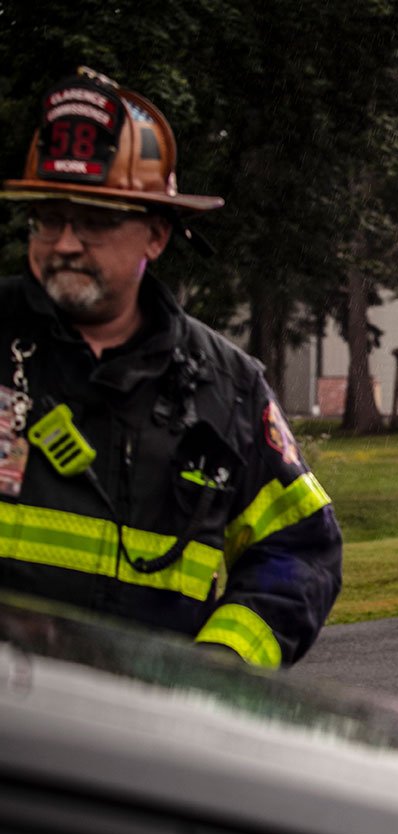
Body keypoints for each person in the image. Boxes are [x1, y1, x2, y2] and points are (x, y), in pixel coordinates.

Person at [0, 67, 341, 666]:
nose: (65, 244)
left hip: (142, 741)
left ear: (156, 236)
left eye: (96, 221)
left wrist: (220, 669)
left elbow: (301, 552)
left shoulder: (228, 388)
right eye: (49, 218)